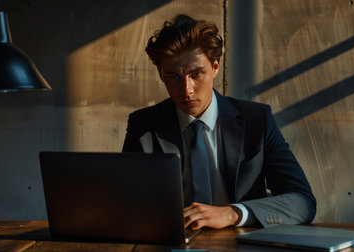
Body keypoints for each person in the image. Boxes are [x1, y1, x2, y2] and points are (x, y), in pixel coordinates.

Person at [122, 14, 316, 230]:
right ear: (161, 75)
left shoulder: (256, 120)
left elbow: (302, 202)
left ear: (215, 67)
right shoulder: (144, 125)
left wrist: (233, 213)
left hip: (243, 242)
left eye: (196, 74)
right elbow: (125, 204)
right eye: (173, 77)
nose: (187, 90)